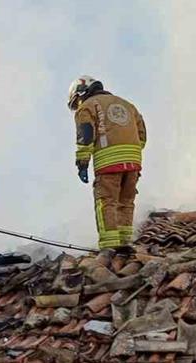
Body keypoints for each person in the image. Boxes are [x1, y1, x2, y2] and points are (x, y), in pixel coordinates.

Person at [68, 76, 146, 250]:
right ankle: (125, 243)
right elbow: (142, 135)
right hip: (133, 163)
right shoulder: (128, 105)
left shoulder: (87, 107)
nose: (77, 107)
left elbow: (85, 136)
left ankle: (109, 247)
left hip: (108, 164)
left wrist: (82, 162)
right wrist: (130, 154)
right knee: (126, 202)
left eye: (76, 102)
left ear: (81, 93)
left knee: (106, 202)